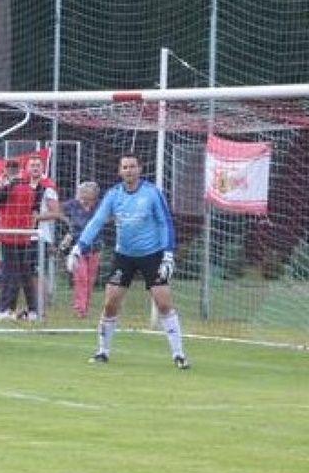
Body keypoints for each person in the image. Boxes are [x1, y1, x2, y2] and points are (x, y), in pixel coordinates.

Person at [68, 154, 190, 369]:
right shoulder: (114, 195)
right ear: (119, 170)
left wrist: (168, 254)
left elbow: (165, 223)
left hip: (153, 255)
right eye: (125, 167)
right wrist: (79, 248)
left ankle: (179, 355)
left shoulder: (152, 193)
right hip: (123, 256)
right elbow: (96, 222)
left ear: (140, 169)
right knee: (110, 303)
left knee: (164, 303)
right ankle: (103, 352)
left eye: (133, 166)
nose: (129, 170)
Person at [0, 159, 39, 321]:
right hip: (25, 237)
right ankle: (33, 310)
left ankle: (6, 309)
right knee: (25, 275)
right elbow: (34, 213)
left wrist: (0, 184)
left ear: (7, 171)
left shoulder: (7, 188)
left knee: (10, 274)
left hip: (9, 237)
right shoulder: (30, 188)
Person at [60, 181, 101, 318]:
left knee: (90, 280)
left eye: (88, 191)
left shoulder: (99, 206)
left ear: (94, 195)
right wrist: (67, 223)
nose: (84, 194)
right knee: (81, 278)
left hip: (95, 247)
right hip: (77, 248)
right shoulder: (72, 205)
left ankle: (86, 308)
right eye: (83, 191)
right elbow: (57, 211)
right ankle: (80, 309)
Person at [26, 155, 61, 303]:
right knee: (28, 272)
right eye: (32, 165)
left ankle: (43, 303)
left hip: (40, 236)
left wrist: (36, 218)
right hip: (25, 235)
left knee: (36, 271)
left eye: (38, 165)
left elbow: (56, 212)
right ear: (27, 168)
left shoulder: (48, 188)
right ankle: (36, 303)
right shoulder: (22, 186)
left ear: (42, 168)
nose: (35, 168)